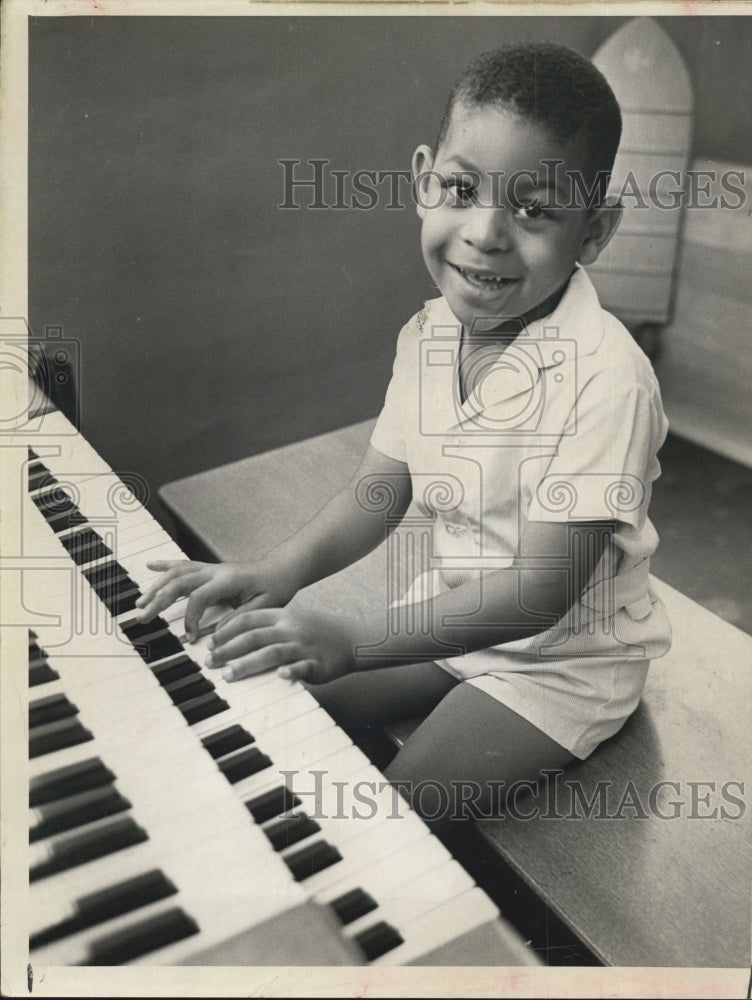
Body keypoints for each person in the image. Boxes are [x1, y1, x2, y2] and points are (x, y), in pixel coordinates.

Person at [136, 42, 671, 832]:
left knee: (394, 812)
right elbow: (382, 488)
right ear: (425, 180)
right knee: (271, 704)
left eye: (536, 209)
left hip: (562, 663)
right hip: (454, 616)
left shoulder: (608, 380)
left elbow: (540, 593)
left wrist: (354, 637)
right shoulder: (429, 332)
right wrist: (275, 571)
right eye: (461, 188)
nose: (486, 233)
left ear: (595, 231)